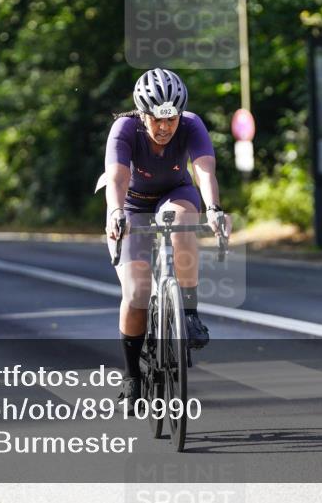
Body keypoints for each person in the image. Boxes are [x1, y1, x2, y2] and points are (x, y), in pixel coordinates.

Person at [102, 68, 228, 408]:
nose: (164, 128)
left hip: (175, 193)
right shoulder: (124, 129)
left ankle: (188, 312)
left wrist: (214, 209)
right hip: (131, 204)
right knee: (136, 292)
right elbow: (116, 178)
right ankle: (131, 376)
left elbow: (204, 169)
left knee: (184, 219)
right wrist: (115, 214)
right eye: (156, 119)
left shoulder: (191, 124)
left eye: (170, 120)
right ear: (142, 115)